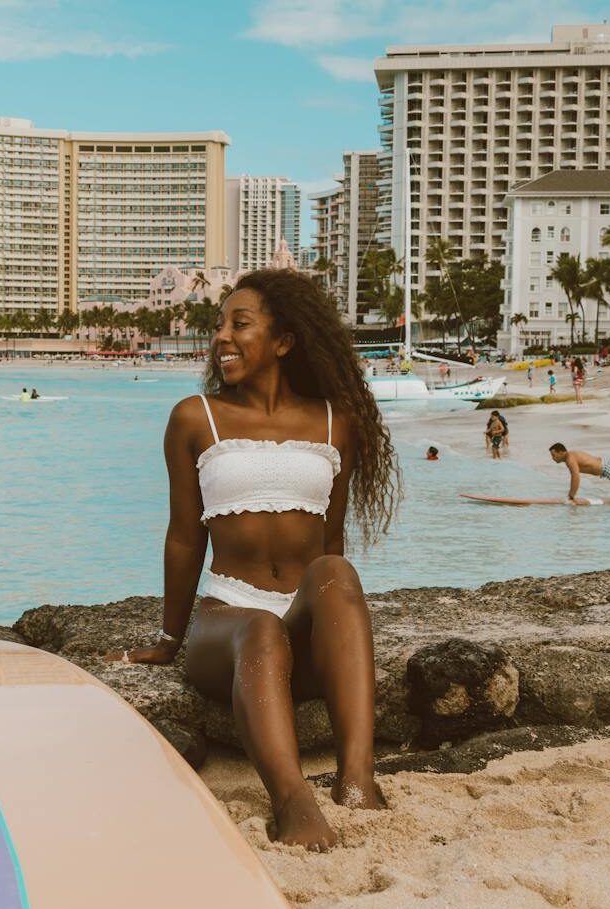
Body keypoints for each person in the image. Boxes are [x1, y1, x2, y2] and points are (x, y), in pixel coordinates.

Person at [107, 269, 399, 851]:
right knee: (261, 628)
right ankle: (293, 800)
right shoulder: (196, 417)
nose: (222, 338)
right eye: (220, 326)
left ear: (284, 341)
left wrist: (333, 631)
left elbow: (331, 538)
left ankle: (358, 779)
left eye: (240, 324)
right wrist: (170, 637)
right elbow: (185, 536)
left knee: (338, 573)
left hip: (300, 624)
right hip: (229, 624)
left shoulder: (336, 420)